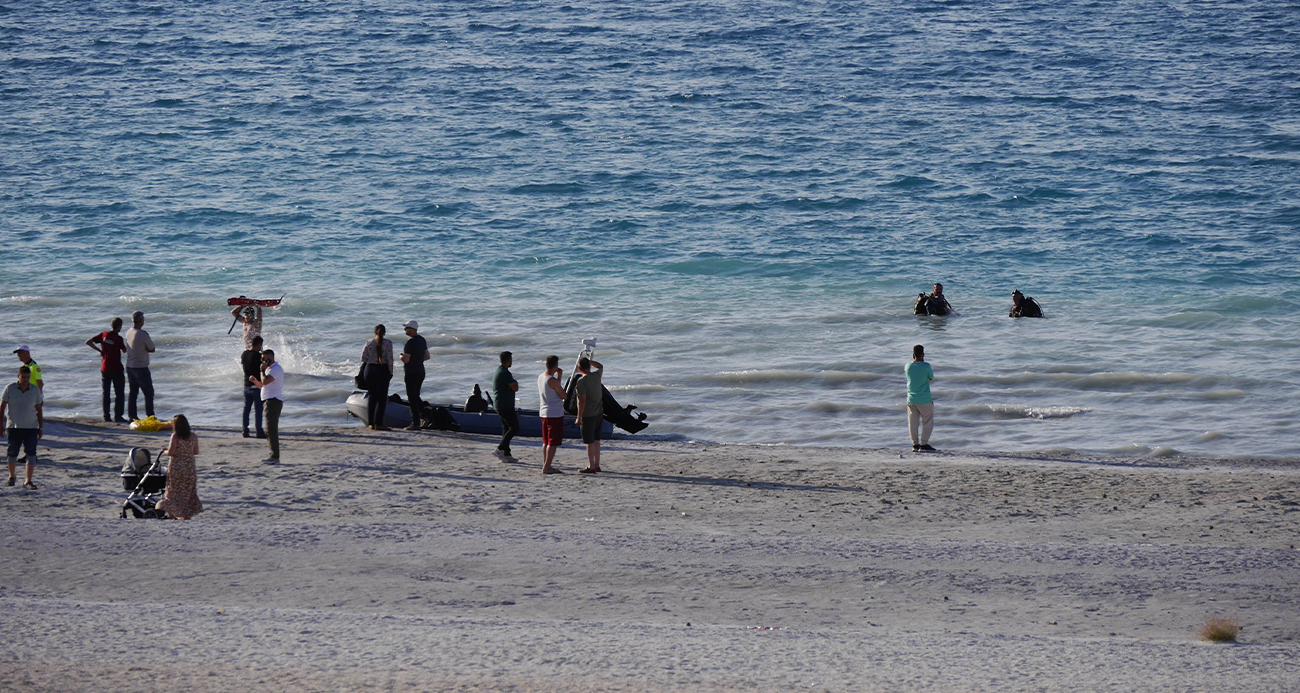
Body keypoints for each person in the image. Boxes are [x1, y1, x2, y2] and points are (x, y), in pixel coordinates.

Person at [1, 366, 43, 489]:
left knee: (31, 453)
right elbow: (2, 406)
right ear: (18, 376)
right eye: (23, 377)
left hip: (31, 427)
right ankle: (11, 476)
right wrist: (0, 425)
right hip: (14, 426)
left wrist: (40, 427)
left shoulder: (34, 390)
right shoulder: (10, 388)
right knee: (12, 452)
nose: (25, 379)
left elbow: (39, 409)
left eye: (28, 377)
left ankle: (28, 480)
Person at [155, 414, 202, 519]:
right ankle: (186, 515)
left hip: (177, 467)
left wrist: (164, 451)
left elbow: (171, 452)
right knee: (187, 491)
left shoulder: (175, 436)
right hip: (189, 467)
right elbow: (196, 451)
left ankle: (172, 514)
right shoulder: (193, 436)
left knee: (173, 491)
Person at [86, 318, 127, 422]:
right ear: (119, 327)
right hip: (116, 368)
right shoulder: (118, 339)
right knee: (119, 393)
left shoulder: (103, 335)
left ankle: (106, 416)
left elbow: (89, 342)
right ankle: (118, 416)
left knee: (106, 393)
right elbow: (124, 350)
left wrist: (100, 350)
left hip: (105, 368)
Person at [250, 349, 283, 464]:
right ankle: (273, 455)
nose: (262, 361)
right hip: (268, 400)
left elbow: (266, 380)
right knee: (269, 430)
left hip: (273, 401)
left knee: (271, 430)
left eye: (264, 359)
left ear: (270, 358)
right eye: (262, 359)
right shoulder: (269, 369)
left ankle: (274, 456)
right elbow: (263, 385)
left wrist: (262, 371)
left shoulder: (276, 369)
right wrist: (255, 381)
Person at [573, 357, 604, 473]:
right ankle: (596, 464)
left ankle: (591, 466)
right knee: (596, 440)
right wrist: (590, 361)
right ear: (589, 366)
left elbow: (582, 401)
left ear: (579, 368)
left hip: (588, 415)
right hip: (599, 412)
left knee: (589, 442)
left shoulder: (582, 382)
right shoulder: (596, 376)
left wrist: (578, 417)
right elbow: (600, 366)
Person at [124, 311, 156, 421]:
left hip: (130, 365)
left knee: (133, 392)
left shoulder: (128, 332)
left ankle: (132, 416)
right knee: (148, 393)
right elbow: (152, 348)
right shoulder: (143, 334)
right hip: (141, 366)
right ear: (141, 321)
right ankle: (150, 416)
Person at [537, 355, 566, 475]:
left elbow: (554, 388)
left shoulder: (541, 377)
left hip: (544, 411)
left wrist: (559, 376)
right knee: (552, 442)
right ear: (555, 366)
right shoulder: (552, 380)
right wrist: (558, 377)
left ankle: (546, 464)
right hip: (554, 413)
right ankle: (547, 467)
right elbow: (563, 395)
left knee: (546, 441)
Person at [361, 325, 393, 430]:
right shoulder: (388, 343)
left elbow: (363, 357)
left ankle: (370, 423)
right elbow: (390, 359)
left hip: (369, 370)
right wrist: (390, 373)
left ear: (375, 332)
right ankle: (379, 423)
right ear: (384, 333)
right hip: (382, 370)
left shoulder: (369, 342)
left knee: (372, 397)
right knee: (381, 398)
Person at [400, 320, 430, 430]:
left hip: (411, 372)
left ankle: (416, 423)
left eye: (407, 328)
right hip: (421, 371)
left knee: (412, 398)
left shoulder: (410, 342)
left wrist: (401, 357)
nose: (405, 330)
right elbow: (427, 356)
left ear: (412, 329)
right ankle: (425, 417)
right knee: (416, 396)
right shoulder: (422, 340)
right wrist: (417, 360)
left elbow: (406, 360)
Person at [905, 344, 936, 452]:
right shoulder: (926, 366)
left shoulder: (907, 366)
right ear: (923, 355)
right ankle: (923, 444)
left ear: (913, 355)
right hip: (924, 399)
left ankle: (915, 444)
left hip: (911, 399)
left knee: (913, 422)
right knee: (927, 421)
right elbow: (931, 377)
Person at [492, 351, 520, 462]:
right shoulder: (504, 373)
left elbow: (512, 386)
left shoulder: (500, 371)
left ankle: (506, 454)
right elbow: (515, 387)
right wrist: (514, 384)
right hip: (505, 404)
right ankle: (500, 448)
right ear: (508, 360)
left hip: (501, 404)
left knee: (506, 428)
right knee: (514, 427)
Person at [241, 336, 266, 438]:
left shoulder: (244, 354)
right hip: (256, 385)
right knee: (258, 410)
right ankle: (259, 431)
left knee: (246, 409)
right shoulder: (258, 356)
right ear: (259, 345)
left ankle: (245, 430)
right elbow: (263, 367)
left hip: (246, 384)